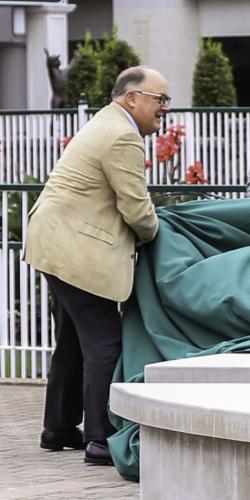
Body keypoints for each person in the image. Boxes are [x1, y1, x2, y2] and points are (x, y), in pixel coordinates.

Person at [25, 67, 165, 465]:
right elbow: (138, 211)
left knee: (71, 339)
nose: (164, 108)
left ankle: (58, 429)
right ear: (132, 97)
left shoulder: (104, 122)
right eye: (160, 99)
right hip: (76, 249)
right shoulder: (123, 135)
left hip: (55, 241)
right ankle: (101, 439)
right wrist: (158, 235)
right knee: (105, 342)